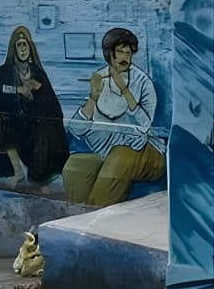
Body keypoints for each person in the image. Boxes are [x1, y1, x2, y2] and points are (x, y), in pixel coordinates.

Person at [63, 27, 166, 206]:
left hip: (148, 152)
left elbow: (144, 125)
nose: (125, 57)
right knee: (74, 166)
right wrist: (93, 97)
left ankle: (97, 216)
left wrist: (125, 91)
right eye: (120, 52)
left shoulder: (143, 82)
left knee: (119, 158)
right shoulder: (100, 78)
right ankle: (77, 214)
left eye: (128, 53)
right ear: (109, 53)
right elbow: (77, 129)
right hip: (107, 152)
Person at [0, 25, 69, 184]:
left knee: (48, 118)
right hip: (11, 124)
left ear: (31, 48)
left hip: (33, 125)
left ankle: (41, 171)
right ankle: (17, 170)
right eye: (19, 45)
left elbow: (53, 105)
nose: (23, 49)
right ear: (14, 49)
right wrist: (16, 90)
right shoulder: (6, 70)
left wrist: (38, 93)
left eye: (26, 44)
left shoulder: (37, 72)